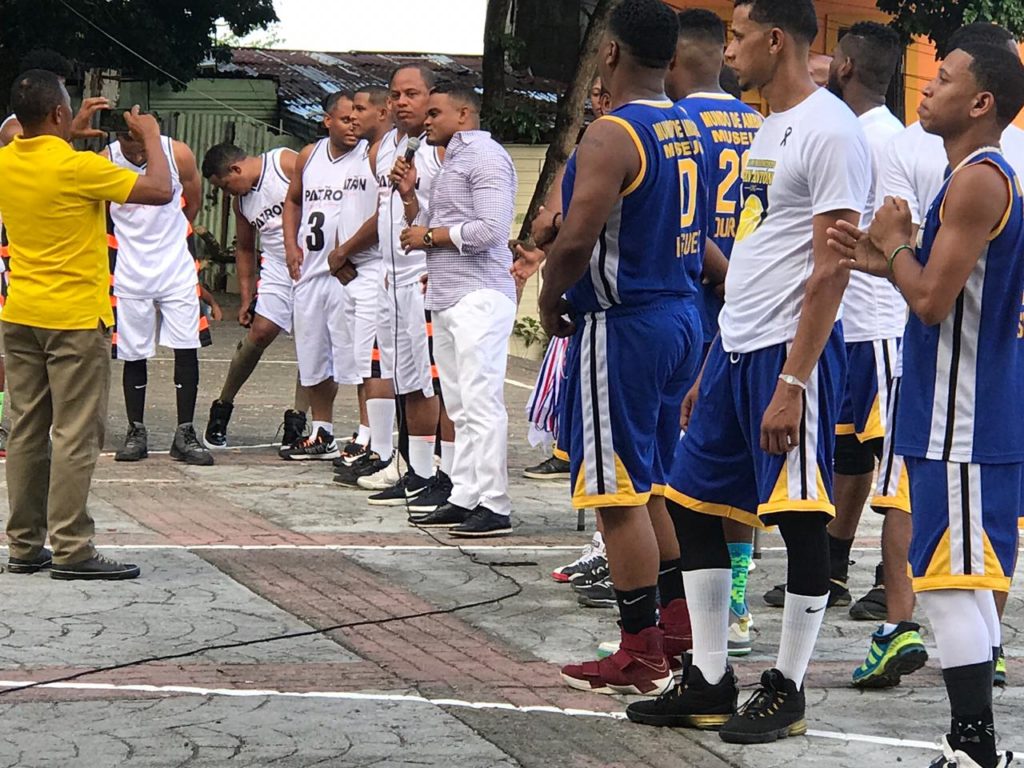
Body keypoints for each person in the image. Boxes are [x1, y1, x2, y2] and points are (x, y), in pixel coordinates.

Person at [627, 0, 869, 743]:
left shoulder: (833, 130)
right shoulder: (769, 126)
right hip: (735, 349)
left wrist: (795, 380)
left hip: (788, 353)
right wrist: (712, 358)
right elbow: (761, 247)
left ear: (775, 40)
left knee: (799, 520)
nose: (728, 51)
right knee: (694, 506)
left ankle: (787, 688)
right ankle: (707, 679)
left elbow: (833, 266)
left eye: (736, 37)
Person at [828, 40, 1024, 768]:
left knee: (946, 584)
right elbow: (940, 292)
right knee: (958, 582)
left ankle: (975, 747)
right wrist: (888, 260)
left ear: (981, 103)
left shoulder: (979, 180)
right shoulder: (968, 177)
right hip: (957, 408)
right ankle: (973, 743)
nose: (927, 86)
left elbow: (935, 302)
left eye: (944, 79)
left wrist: (895, 248)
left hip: (963, 414)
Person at [525, 0, 707, 696]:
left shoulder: (613, 134)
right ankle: (678, 626)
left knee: (616, 492)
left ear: (609, 53)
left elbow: (576, 241)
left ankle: (640, 652)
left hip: (625, 320)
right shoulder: (682, 125)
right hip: (680, 311)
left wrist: (548, 299)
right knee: (651, 480)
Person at [0, 71, 172, 579]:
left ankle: (25, 545)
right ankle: (73, 547)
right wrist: (153, 138)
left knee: (28, 429)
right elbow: (161, 190)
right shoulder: (78, 169)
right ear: (58, 114)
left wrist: (60, 132)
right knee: (76, 433)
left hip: (21, 313)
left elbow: (19, 137)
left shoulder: (7, 161)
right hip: (74, 318)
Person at [665, 6, 764, 659]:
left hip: (699, 305)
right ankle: (737, 603)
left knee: (686, 464)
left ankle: (683, 597)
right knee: (740, 465)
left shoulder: (677, 126)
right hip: (753, 312)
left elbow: (680, 223)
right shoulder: (761, 122)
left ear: (676, 60)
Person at [396, 83, 517, 537]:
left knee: (482, 401)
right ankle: (465, 493)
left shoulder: (486, 156)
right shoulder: (451, 162)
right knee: (461, 403)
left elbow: (489, 229)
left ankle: (496, 503)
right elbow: (438, 221)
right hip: (448, 294)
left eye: (433, 113)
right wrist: (411, 197)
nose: (425, 121)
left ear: (464, 114)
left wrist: (428, 237)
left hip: (480, 294)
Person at [347, 63, 442, 493]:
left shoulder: (440, 149)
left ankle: (428, 469)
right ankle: (401, 462)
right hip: (390, 275)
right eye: (396, 95)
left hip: (422, 274)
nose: (402, 102)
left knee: (426, 379)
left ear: (431, 97)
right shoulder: (389, 147)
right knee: (399, 375)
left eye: (412, 94)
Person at [104, 129, 213, 466]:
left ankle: (185, 432)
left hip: (176, 267)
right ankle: (136, 430)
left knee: (186, 346)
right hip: (129, 269)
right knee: (133, 352)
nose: (134, 151)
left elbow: (191, 204)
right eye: (126, 142)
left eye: (138, 142)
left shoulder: (177, 153)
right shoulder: (105, 160)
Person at [201, 142, 311, 454]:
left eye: (225, 186)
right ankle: (223, 406)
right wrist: (247, 297)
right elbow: (246, 249)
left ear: (236, 169)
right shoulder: (242, 203)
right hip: (277, 265)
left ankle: (297, 419)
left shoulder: (284, 162)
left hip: (311, 261)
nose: (227, 193)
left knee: (311, 339)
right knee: (260, 332)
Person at [281, 91, 363, 461]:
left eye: (357, 118)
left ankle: (367, 435)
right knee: (313, 357)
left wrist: (348, 251)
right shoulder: (309, 155)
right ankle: (322, 432)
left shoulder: (368, 156)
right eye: (345, 119)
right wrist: (289, 244)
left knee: (358, 359)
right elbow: (293, 200)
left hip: (349, 272)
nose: (353, 125)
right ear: (327, 120)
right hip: (312, 270)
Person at [326, 85, 396, 477]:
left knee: (375, 363)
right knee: (358, 364)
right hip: (352, 271)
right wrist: (339, 256)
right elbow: (345, 213)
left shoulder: (386, 156)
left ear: (383, 111)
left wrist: (345, 251)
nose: (353, 116)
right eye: (350, 110)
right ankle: (364, 434)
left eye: (360, 109)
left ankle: (376, 443)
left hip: (373, 270)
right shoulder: (360, 156)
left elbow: (381, 217)